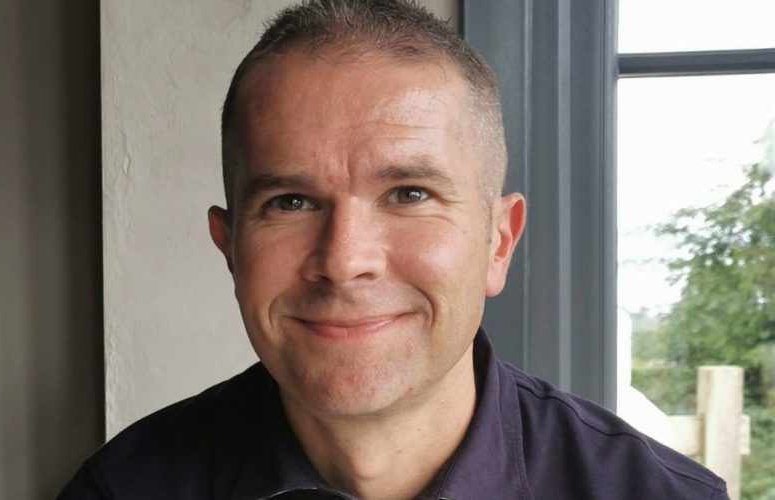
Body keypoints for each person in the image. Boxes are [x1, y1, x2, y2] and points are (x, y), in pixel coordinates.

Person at [59, 1, 729, 498]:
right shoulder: (121, 489)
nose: (345, 259)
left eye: (409, 194)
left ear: (499, 242)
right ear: (230, 247)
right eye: (290, 202)